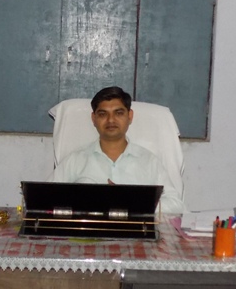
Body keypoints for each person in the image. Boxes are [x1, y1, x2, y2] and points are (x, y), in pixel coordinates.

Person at [48, 86, 184, 213]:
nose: (111, 120)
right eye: (103, 114)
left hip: (136, 230)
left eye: (118, 113)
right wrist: (88, 200)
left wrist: (131, 201)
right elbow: (45, 199)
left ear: (130, 116)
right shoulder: (76, 160)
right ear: (93, 119)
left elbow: (176, 204)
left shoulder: (149, 161)